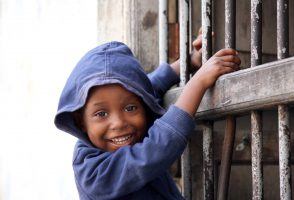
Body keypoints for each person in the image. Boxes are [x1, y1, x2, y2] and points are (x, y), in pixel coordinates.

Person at [54, 30, 241, 199]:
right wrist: (198, 83)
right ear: (80, 122)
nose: (118, 123)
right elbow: (156, 148)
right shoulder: (92, 172)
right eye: (101, 113)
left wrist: (190, 61)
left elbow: (149, 89)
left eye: (130, 108)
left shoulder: (130, 115)